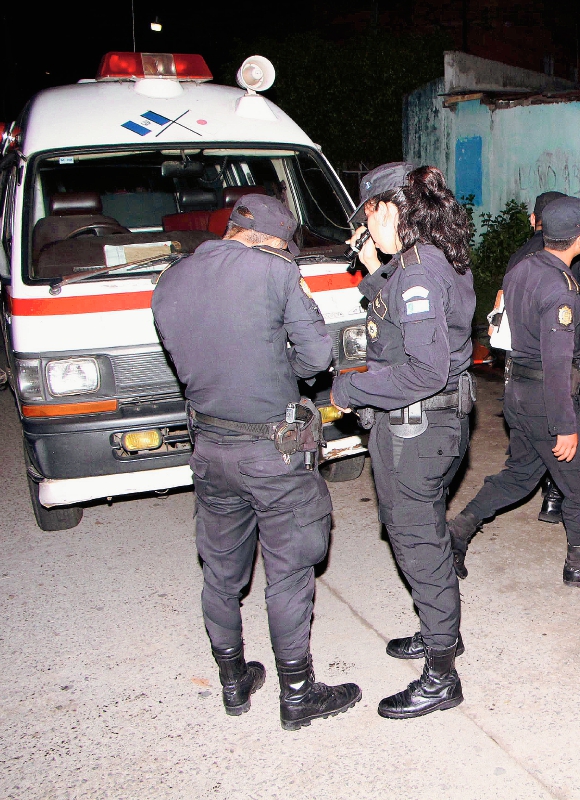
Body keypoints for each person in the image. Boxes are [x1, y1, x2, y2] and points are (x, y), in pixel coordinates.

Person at [152, 194, 361, 731]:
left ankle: (233, 681)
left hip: (210, 449)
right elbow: (317, 358)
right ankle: (298, 694)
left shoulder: (170, 281)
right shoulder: (276, 273)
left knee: (221, 572)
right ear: (272, 242)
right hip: (274, 451)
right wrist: (278, 365)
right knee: (289, 571)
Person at [328, 163, 476, 720]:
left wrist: (350, 388)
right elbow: (404, 323)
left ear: (387, 210)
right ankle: (441, 632)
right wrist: (374, 271)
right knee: (423, 534)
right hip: (435, 426)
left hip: (418, 430)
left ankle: (441, 674)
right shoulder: (437, 257)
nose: (366, 231)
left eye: (368, 218)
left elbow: (422, 370)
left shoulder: (417, 271)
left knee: (418, 542)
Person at [447, 196, 580, 588]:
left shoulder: (522, 268)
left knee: (521, 474)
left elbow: (499, 327)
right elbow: (558, 364)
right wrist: (565, 425)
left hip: (518, 391)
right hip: (548, 399)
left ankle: (457, 532)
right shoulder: (562, 290)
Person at [489, 190, 580, 526]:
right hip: (569, 360)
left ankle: (471, 521)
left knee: (528, 454)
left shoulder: (521, 258)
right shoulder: (571, 258)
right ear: (578, 233)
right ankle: (561, 500)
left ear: (535, 220)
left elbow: (498, 314)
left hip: (521, 371)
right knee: (579, 432)